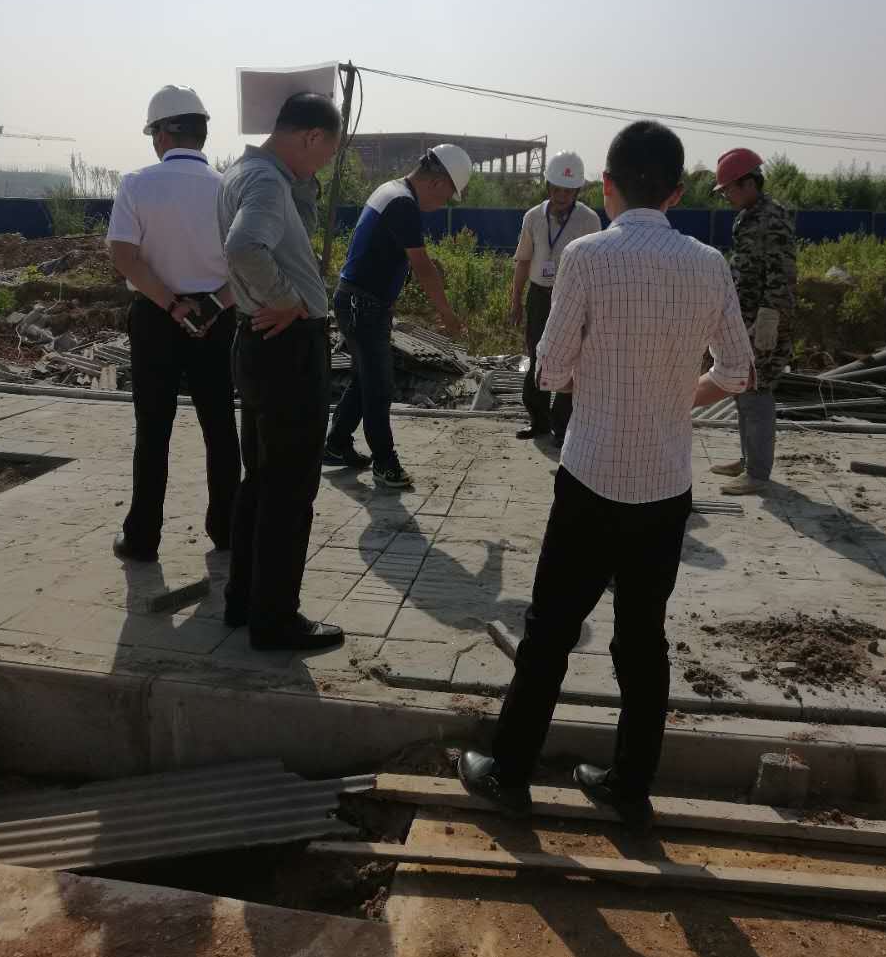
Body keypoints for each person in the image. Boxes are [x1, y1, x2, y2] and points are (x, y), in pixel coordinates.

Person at [458, 121, 753, 832]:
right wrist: (677, 394)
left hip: (590, 478)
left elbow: (551, 370)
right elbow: (738, 372)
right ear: (677, 192)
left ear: (606, 186)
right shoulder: (709, 263)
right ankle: (628, 784)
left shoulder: (587, 256)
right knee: (642, 639)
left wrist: (597, 382)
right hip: (665, 486)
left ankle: (510, 773)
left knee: (551, 632)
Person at [217, 92, 344, 652]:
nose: (323, 166)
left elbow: (270, 240)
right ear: (311, 136)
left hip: (258, 342)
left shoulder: (243, 172)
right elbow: (245, 245)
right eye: (325, 154)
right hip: (287, 347)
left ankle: (244, 601)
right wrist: (289, 299)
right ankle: (274, 619)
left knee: (262, 480)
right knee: (290, 489)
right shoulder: (267, 182)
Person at [107, 85, 239, 564]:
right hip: (217, 320)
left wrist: (172, 305)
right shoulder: (229, 188)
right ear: (202, 133)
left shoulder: (137, 184)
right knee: (220, 426)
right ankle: (227, 529)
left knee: (153, 430)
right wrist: (213, 306)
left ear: (162, 134)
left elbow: (124, 256)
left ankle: (142, 537)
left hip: (156, 319)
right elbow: (249, 262)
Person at [323, 145, 471, 489]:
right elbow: (422, 266)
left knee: (366, 379)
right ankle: (385, 463)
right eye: (447, 196)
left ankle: (336, 443)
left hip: (357, 302)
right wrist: (447, 314)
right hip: (362, 305)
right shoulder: (403, 203)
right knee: (379, 387)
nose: (443, 203)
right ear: (437, 182)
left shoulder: (390, 190)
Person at [710, 148, 796, 496]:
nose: (726, 196)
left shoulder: (772, 217)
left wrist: (769, 317)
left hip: (764, 320)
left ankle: (758, 474)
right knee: (743, 388)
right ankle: (748, 461)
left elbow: (781, 271)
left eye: (728, 189)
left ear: (748, 183)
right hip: (745, 317)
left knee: (757, 391)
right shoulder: (748, 216)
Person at [511, 151, 601, 445]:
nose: (562, 196)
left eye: (568, 191)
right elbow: (523, 260)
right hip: (539, 295)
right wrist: (515, 300)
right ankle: (538, 422)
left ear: (577, 191)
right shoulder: (533, 217)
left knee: (571, 358)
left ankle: (563, 428)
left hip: (574, 297)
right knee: (538, 355)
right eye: (557, 189)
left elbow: (596, 267)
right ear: (548, 187)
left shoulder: (589, 220)